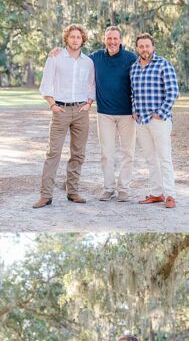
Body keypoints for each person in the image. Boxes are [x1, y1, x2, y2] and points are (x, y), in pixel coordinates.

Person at [49, 26, 137, 201]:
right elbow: (75, 58)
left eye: (115, 38)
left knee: (128, 153)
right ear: (105, 39)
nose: (112, 42)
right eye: (109, 38)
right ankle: (109, 188)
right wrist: (57, 51)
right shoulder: (95, 58)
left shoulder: (131, 58)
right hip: (104, 114)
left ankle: (124, 189)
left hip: (128, 114)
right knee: (106, 153)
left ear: (121, 40)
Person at [33, 23, 96, 209]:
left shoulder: (88, 62)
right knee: (53, 153)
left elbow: (91, 85)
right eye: (72, 37)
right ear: (66, 38)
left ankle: (73, 191)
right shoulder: (55, 58)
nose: (75, 40)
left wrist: (89, 103)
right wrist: (52, 104)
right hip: (60, 110)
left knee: (78, 153)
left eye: (78, 37)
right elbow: (46, 84)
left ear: (82, 39)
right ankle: (46, 195)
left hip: (81, 112)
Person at [130, 33, 179, 208]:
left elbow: (173, 92)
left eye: (147, 46)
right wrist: (134, 111)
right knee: (150, 159)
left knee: (164, 157)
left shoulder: (163, 65)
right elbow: (133, 94)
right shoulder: (134, 67)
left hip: (159, 121)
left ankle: (170, 195)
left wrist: (160, 113)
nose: (144, 49)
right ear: (137, 48)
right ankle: (157, 193)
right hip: (141, 121)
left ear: (153, 47)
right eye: (141, 46)